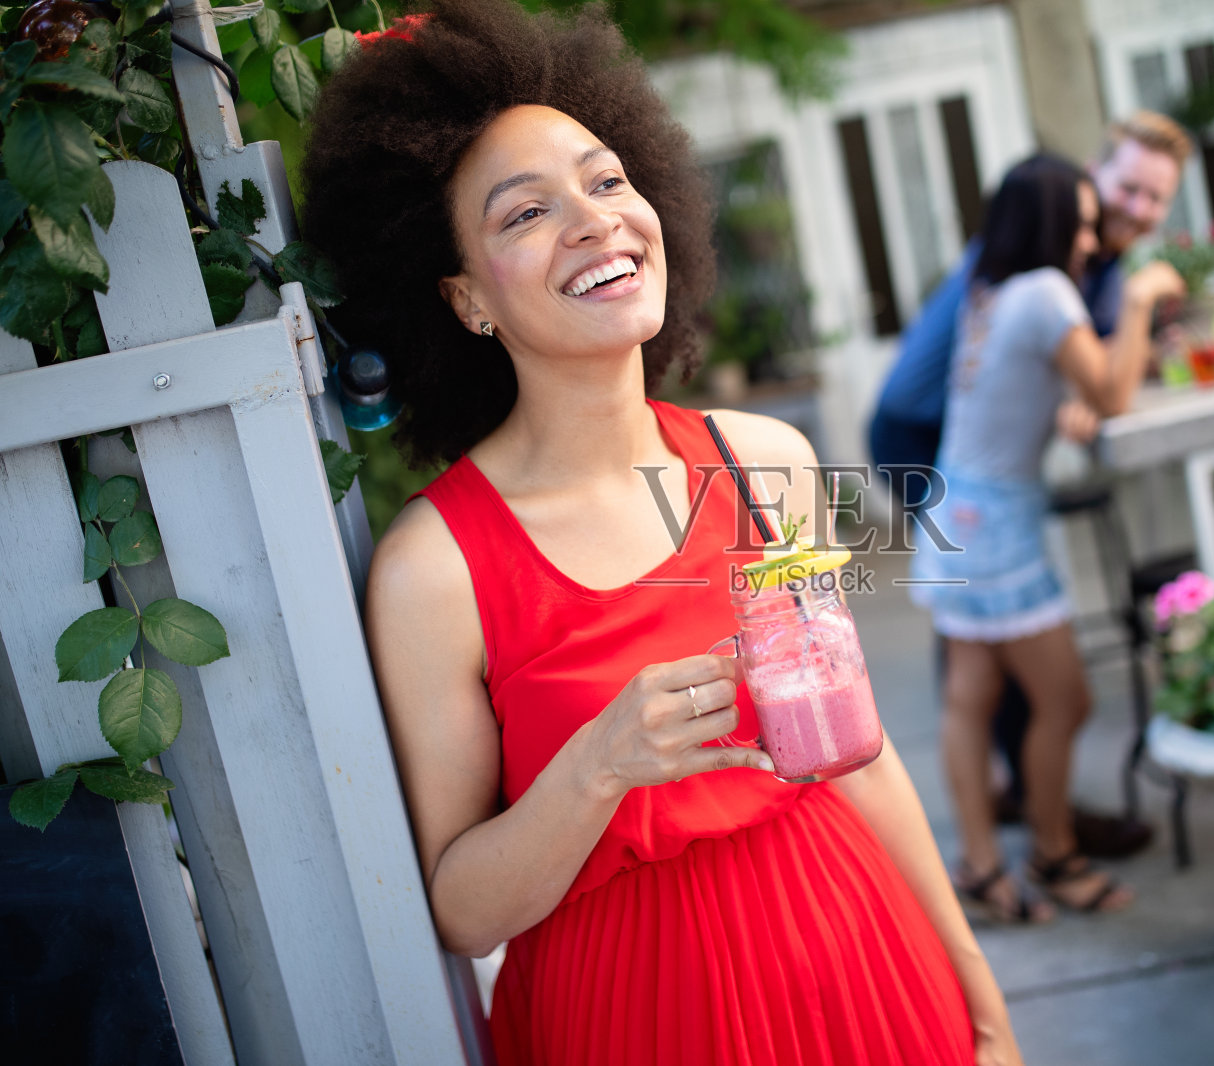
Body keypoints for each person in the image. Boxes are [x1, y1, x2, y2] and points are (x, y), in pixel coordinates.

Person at [300, 3, 1023, 1064]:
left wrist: (984, 1007)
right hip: (628, 1015)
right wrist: (599, 764)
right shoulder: (435, 567)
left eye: (605, 182)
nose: (594, 222)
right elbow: (462, 907)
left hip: (864, 966)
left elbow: (858, 763)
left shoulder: (764, 462)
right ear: (462, 300)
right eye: (523, 214)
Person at [870, 115, 1192, 850]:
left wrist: (1082, 370)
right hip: (925, 443)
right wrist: (1134, 313)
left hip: (965, 483)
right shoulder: (1048, 277)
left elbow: (1081, 365)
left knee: (972, 685)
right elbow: (1102, 378)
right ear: (1088, 182)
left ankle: (991, 848)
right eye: (1124, 190)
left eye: (1155, 197)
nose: (1130, 212)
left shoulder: (1025, 275)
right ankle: (1047, 828)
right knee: (1050, 692)